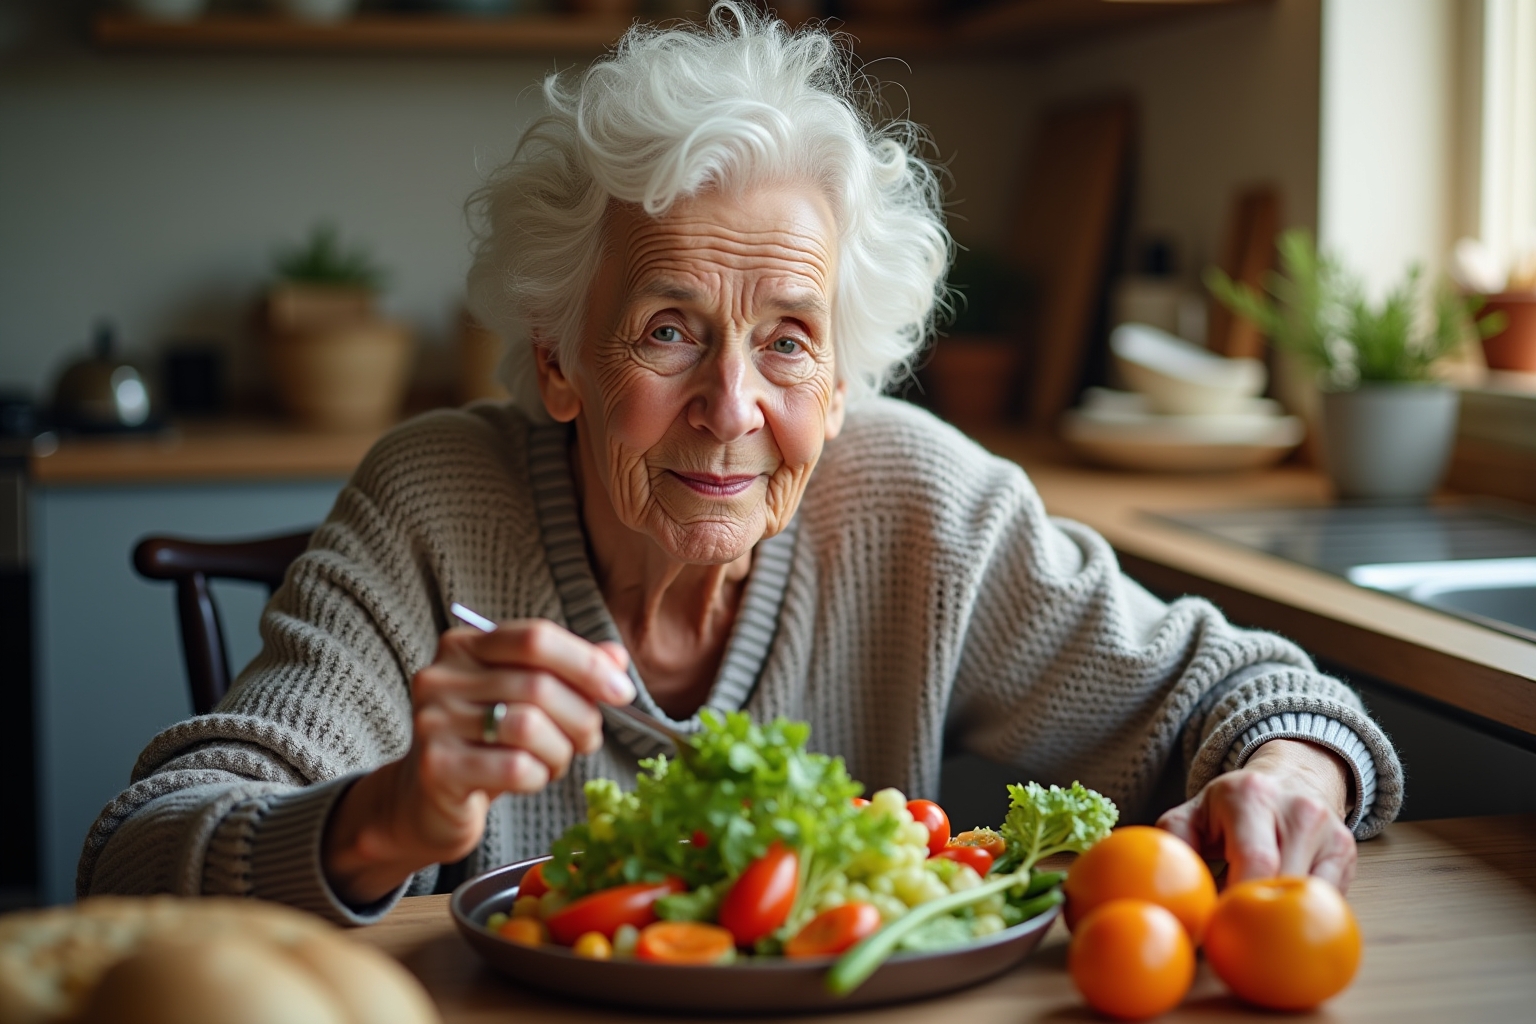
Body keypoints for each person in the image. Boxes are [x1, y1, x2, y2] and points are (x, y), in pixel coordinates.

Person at [81, 3, 1400, 923]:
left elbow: (1262, 694)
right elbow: (134, 859)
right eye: (668, 330)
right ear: (559, 361)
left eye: (788, 341)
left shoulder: (919, 504)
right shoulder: (434, 508)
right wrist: (385, 818)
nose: (731, 406)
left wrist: (1287, 780)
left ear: (841, 381)